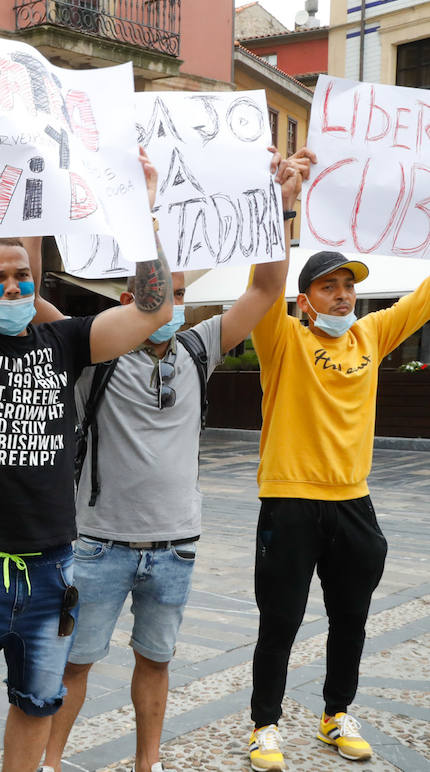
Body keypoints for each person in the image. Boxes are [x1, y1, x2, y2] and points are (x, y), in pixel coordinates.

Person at [35, 149, 313, 772]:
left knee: (156, 661)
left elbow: (267, 287)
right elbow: (31, 302)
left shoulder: (199, 347)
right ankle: (49, 762)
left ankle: (148, 763)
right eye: (158, 293)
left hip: (175, 545)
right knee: (75, 663)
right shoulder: (94, 350)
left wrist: (282, 205)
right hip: (100, 543)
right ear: (131, 296)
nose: (170, 306)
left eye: (181, 294)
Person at [0, 135, 173, 772]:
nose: (12, 286)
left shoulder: (64, 341)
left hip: (53, 567)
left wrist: (144, 211)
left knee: (37, 704)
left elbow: (152, 308)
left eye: (22, 276)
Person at [244, 241, 430, 770]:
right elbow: (263, 286)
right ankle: (265, 727)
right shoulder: (281, 340)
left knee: (352, 618)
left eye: (349, 286)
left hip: (354, 501)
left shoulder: (370, 335)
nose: (343, 295)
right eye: (329, 287)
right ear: (305, 301)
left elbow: (423, 300)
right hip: (289, 500)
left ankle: (335, 715)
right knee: (279, 621)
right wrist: (278, 216)